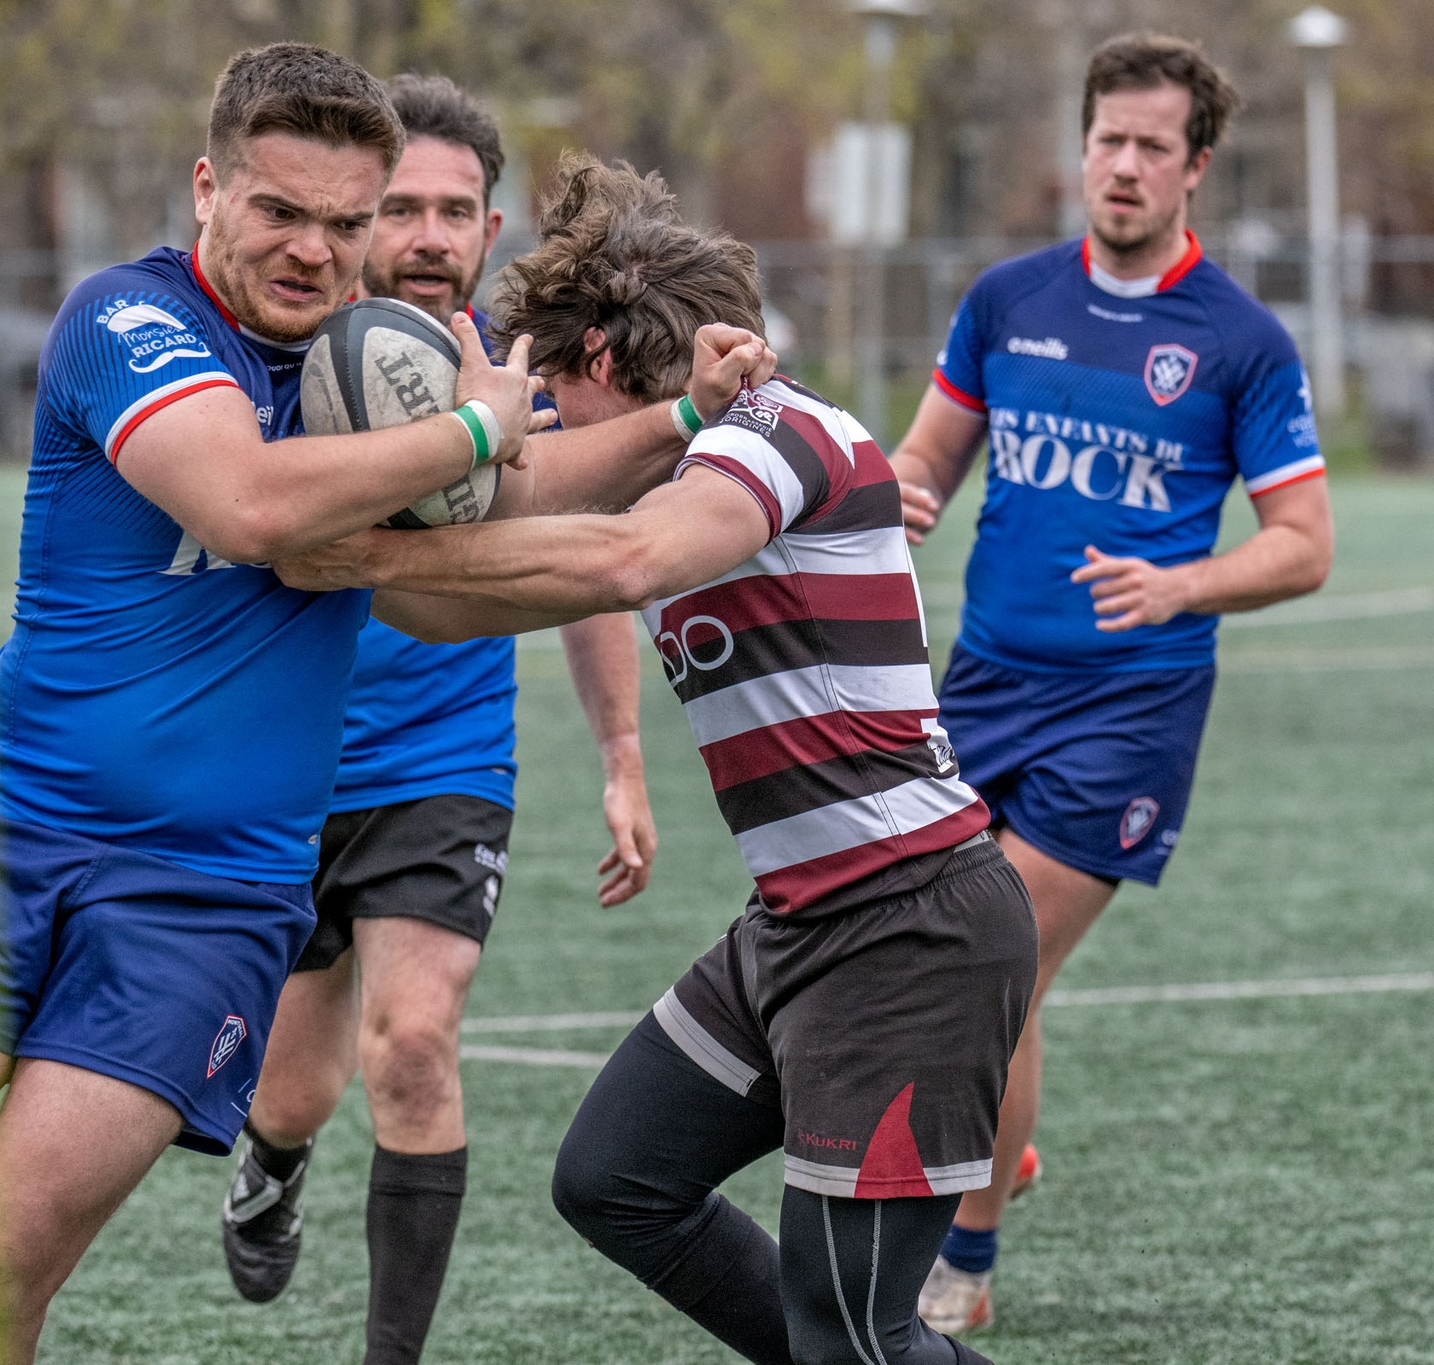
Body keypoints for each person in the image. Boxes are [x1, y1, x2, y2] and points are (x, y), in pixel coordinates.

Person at [0, 44, 560, 1365]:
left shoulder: (383, 374)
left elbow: (542, 529)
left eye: (344, 222)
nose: (313, 251)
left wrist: (681, 422)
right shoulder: (127, 320)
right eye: (278, 210)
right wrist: (478, 436)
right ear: (208, 187)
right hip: (4, 852)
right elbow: (250, 506)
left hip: (201, 907)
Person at [273, 154, 1039, 1365]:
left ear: (591, 366)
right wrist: (350, 536)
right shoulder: (681, 456)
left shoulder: (773, 434)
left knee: (854, 1330)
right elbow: (451, 606)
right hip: (795, 926)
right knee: (615, 1178)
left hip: (910, 928)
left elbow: (623, 562)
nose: (533, 440)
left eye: (540, 402)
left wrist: (373, 555)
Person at [220, 76, 762, 1365]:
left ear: (486, 225)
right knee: (296, 1086)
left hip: (444, 763)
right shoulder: (289, 351)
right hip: (288, 764)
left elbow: (577, 556)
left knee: (413, 1042)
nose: (419, 233)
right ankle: (274, 1155)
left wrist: (624, 763)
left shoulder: (507, 377)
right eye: (394, 206)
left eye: (449, 209)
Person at [888, 33, 1334, 1335]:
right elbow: (926, 461)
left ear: (1195, 167)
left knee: (994, 951)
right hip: (983, 683)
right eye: (1108, 141)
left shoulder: (1239, 342)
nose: (1124, 166)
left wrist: (1184, 584)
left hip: (1133, 704)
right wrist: (900, 498)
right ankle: (999, 1148)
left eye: (1152, 146)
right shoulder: (1007, 301)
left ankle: (964, 1259)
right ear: (1081, 150)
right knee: (943, 955)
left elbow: (1304, 545)